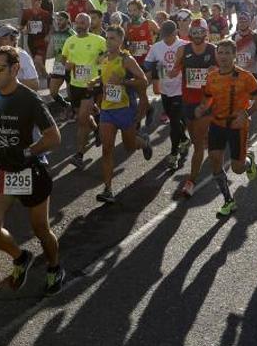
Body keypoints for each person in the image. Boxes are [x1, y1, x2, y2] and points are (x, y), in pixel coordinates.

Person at [0, 45, 65, 293]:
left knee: (41, 230)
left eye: (0, 68)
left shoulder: (29, 99)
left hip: (30, 171)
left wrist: (27, 152)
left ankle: (54, 266)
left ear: (15, 68)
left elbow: (54, 137)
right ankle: (21, 257)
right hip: (4, 169)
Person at [194, 39, 257, 218]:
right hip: (217, 124)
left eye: (227, 53)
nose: (223, 56)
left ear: (234, 55)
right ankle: (228, 200)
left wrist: (246, 113)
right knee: (215, 159)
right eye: (220, 53)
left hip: (237, 126)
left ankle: (248, 161)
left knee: (237, 168)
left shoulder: (245, 76)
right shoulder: (212, 76)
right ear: (216, 55)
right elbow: (207, 98)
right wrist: (202, 107)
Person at [94, 26, 152, 203]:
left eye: (112, 38)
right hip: (107, 110)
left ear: (120, 40)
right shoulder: (103, 58)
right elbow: (103, 79)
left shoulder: (126, 59)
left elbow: (143, 80)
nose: (108, 41)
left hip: (125, 109)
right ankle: (108, 189)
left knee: (129, 146)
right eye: (107, 38)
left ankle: (143, 142)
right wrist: (94, 82)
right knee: (107, 149)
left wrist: (123, 81)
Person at [169, 18, 217, 196]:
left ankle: (191, 180)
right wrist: (171, 72)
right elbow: (175, 69)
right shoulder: (183, 49)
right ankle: (210, 142)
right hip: (188, 101)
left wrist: (215, 71)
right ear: (190, 34)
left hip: (206, 102)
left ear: (206, 33)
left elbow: (225, 72)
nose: (197, 36)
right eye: (194, 32)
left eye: (200, 32)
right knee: (195, 137)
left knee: (197, 143)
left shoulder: (213, 50)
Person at [60, 13, 107, 168]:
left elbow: (109, 55)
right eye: (77, 22)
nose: (79, 25)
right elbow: (63, 58)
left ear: (88, 25)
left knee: (81, 120)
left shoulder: (98, 40)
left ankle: (79, 155)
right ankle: (97, 129)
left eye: (82, 23)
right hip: (74, 85)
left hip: (90, 85)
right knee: (84, 117)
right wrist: (67, 64)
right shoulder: (70, 40)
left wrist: (102, 60)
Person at [144, 20, 189, 170]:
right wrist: (153, 75)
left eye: (168, 36)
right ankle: (184, 139)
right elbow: (148, 65)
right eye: (163, 35)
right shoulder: (157, 47)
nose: (166, 39)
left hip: (181, 89)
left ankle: (173, 154)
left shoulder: (184, 45)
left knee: (174, 122)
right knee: (174, 119)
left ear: (175, 33)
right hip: (165, 89)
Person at [46, 11, 75, 119]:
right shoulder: (55, 34)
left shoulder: (72, 34)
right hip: (58, 66)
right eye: (57, 20)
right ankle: (66, 106)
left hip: (69, 66)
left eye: (61, 19)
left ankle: (73, 111)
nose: (58, 22)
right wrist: (48, 67)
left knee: (71, 93)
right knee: (53, 92)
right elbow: (50, 51)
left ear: (67, 21)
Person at [0, 24, 38, 90]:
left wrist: (10, 83)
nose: (0, 42)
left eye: (4, 39)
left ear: (14, 40)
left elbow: (34, 84)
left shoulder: (22, 56)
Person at [20, 0, 52, 81]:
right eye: (33, 1)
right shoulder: (27, 13)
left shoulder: (45, 14)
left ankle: (46, 75)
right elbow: (21, 26)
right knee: (37, 60)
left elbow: (52, 26)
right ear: (31, 2)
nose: (35, 3)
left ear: (40, 2)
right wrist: (24, 31)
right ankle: (40, 77)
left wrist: (48, 36)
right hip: (31, 40)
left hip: (42, 40)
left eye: (38, 1)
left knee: (38, 60)